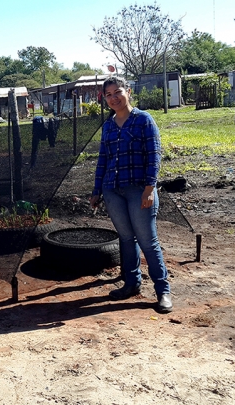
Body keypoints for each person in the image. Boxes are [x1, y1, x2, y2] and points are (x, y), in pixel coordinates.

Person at [89, 76, 172, 313]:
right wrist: (96, 191)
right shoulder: (108, 125)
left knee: (148, 240)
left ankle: (162, 290)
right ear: (105, 99)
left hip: (139, 190)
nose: (114, 98)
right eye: (108, 95)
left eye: (118, 92)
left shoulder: (143, 120)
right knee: (126, 238)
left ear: (128, 92)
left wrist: (149, 189)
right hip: (112, 189)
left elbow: (154, 156)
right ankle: (132, 283)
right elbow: (103, 159)